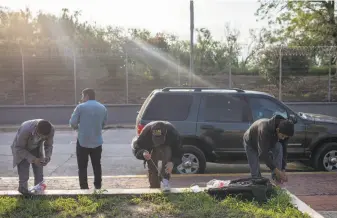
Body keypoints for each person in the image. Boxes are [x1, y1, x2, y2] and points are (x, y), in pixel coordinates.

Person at [69, 88, 108, 189]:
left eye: (82, 96)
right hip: (97, 141)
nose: (82, 98)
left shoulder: (80, 107)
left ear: (86, 96)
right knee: (97, 165)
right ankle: (98, 186)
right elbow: (103, 124)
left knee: (82, 166)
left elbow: (72, 122)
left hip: (83, 141)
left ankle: (84, 188)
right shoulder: (102, 108)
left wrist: (78, 129)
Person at [131, 121, 183, 191]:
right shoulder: (146, 132)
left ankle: (165, 182)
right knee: (152, 165)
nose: (158, 143)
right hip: (152, 148)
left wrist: (172, 162)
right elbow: (137, 147)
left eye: (160, 139)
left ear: (165, 134)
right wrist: (143, 153)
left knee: (167, 160)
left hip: (167, 147)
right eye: (156, 139)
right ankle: (154, 188)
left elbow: (179, 151)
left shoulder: (173, 133)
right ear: (152, 133)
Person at [243, 115, 294, 184]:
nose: (283, 138)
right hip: (251, 142)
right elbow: (263, 154)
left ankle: (277, 179)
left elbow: (284, 150)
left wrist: (283, 169)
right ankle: (257, 184)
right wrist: (276, 170)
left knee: (279, 147)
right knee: (255, 172)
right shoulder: (264, 129)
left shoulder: (285, 129)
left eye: (286, 137)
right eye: (282, 136)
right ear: (277, 130)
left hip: (269, 141)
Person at [11, 119, 55, 195]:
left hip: (36, 148)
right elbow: (19, 148)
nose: (43, 137)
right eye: (41, 136)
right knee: (24, 173)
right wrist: (33, 159)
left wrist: (47, 157)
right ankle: (23, 191)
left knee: (39, 170)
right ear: (36, 129)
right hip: (22, 148)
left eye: (44, 136)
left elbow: (49, 145)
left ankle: (38, 191)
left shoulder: (51, 129)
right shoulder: (26, 129)